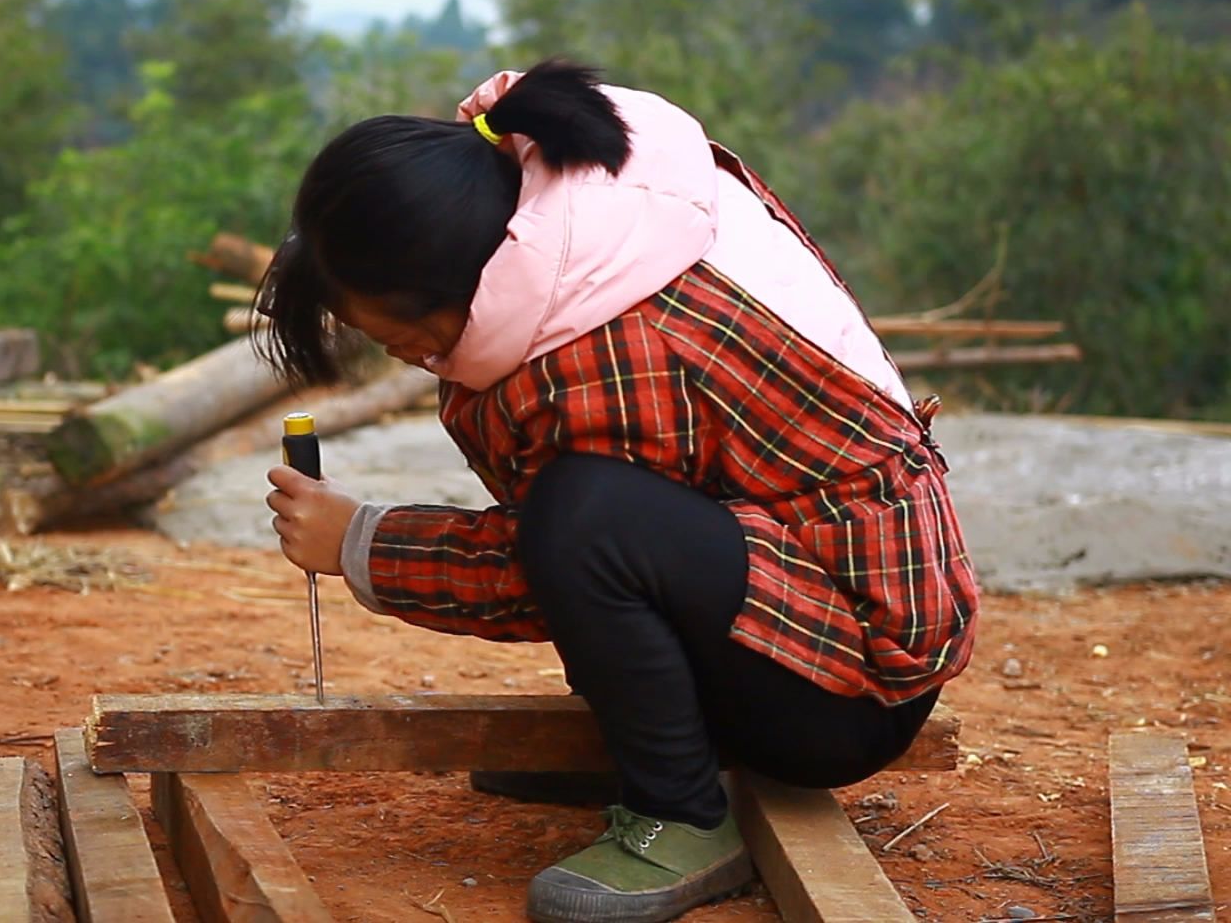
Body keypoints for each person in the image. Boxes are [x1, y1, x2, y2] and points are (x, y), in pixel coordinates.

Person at [258, 60, 977, 923]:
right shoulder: (592, 220)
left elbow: (561, 562)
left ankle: (680, 811)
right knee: (595, 510)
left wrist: (363, 543)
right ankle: (653, 746)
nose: (406, 356)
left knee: (584, 515)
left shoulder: (605, 349)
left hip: (846, 687)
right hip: (798, 602)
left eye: (403, 335)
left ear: (462, 282)